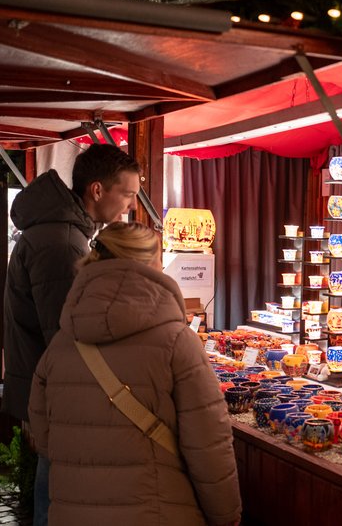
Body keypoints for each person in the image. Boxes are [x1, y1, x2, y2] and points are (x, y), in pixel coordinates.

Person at [28, 222, 242, 525]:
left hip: (73, 512)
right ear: (152, 265)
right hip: (156, 511)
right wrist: (226, 516)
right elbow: (209, 446)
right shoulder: (177, 341)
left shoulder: (61, 344)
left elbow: (44, 435)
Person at [3, 143, 141, 524]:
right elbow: (67, 337)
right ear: (97, 190)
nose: (131, 205)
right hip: (55, 396)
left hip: (44, 389)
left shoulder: (61, 232)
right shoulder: (63, 243)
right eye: (127, 193)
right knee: (58, 501)